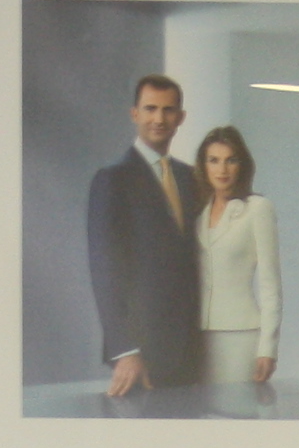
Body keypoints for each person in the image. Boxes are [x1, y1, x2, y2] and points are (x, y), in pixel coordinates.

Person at [86, 72, 205, 398]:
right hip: (143, 353)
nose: (159, 119)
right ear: (134, 113)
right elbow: (104, 270)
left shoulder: (190, 178)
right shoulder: (113, 179)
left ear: (180, 118)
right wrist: (125, 350)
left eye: (168, 110)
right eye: (150, 109)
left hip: (193, 350)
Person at [192, 124, 281, 387]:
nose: (222, 169)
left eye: (231, 160)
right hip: (196, 336)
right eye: (214, 160)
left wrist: (268, 348)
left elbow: (270, 285)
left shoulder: (257, 209)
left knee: (237, 407)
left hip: (240, 335)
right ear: (203, 165)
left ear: (242, 165)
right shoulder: (197, 212)